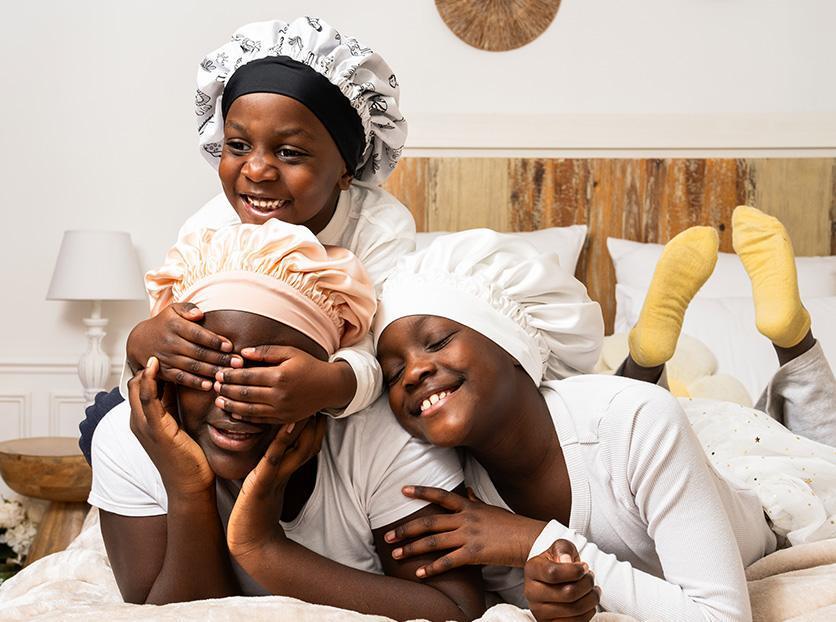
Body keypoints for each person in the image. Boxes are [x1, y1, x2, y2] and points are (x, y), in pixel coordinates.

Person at [372, 225, 806, 621]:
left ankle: (791, 344)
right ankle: (645, 359)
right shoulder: (455, 494)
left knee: (785, 433)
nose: (412, 373)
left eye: (439, 341)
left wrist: (532, 540)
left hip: (760, 515)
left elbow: (722, 618)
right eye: (392, 373)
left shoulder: (638, 419)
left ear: (512, 340)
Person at [88, 219, 485, 621]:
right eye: (208, 372)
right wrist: (188, 491)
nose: (233, 404)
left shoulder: (381, 437)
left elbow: (458, 610)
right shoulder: (128, 437)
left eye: (265, 376)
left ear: (318, 379)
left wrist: (263, 548)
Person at [80, 16, 415, 462]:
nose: (256, 171)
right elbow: (175, 326)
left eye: (290, 152)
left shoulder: (381, 231)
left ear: (346, 169)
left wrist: (334, 383)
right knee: (105, 422)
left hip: (316, 402)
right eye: (237, 146)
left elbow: (385, 354)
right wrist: (142, 341)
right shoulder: (209, 228)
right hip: (224, 402)